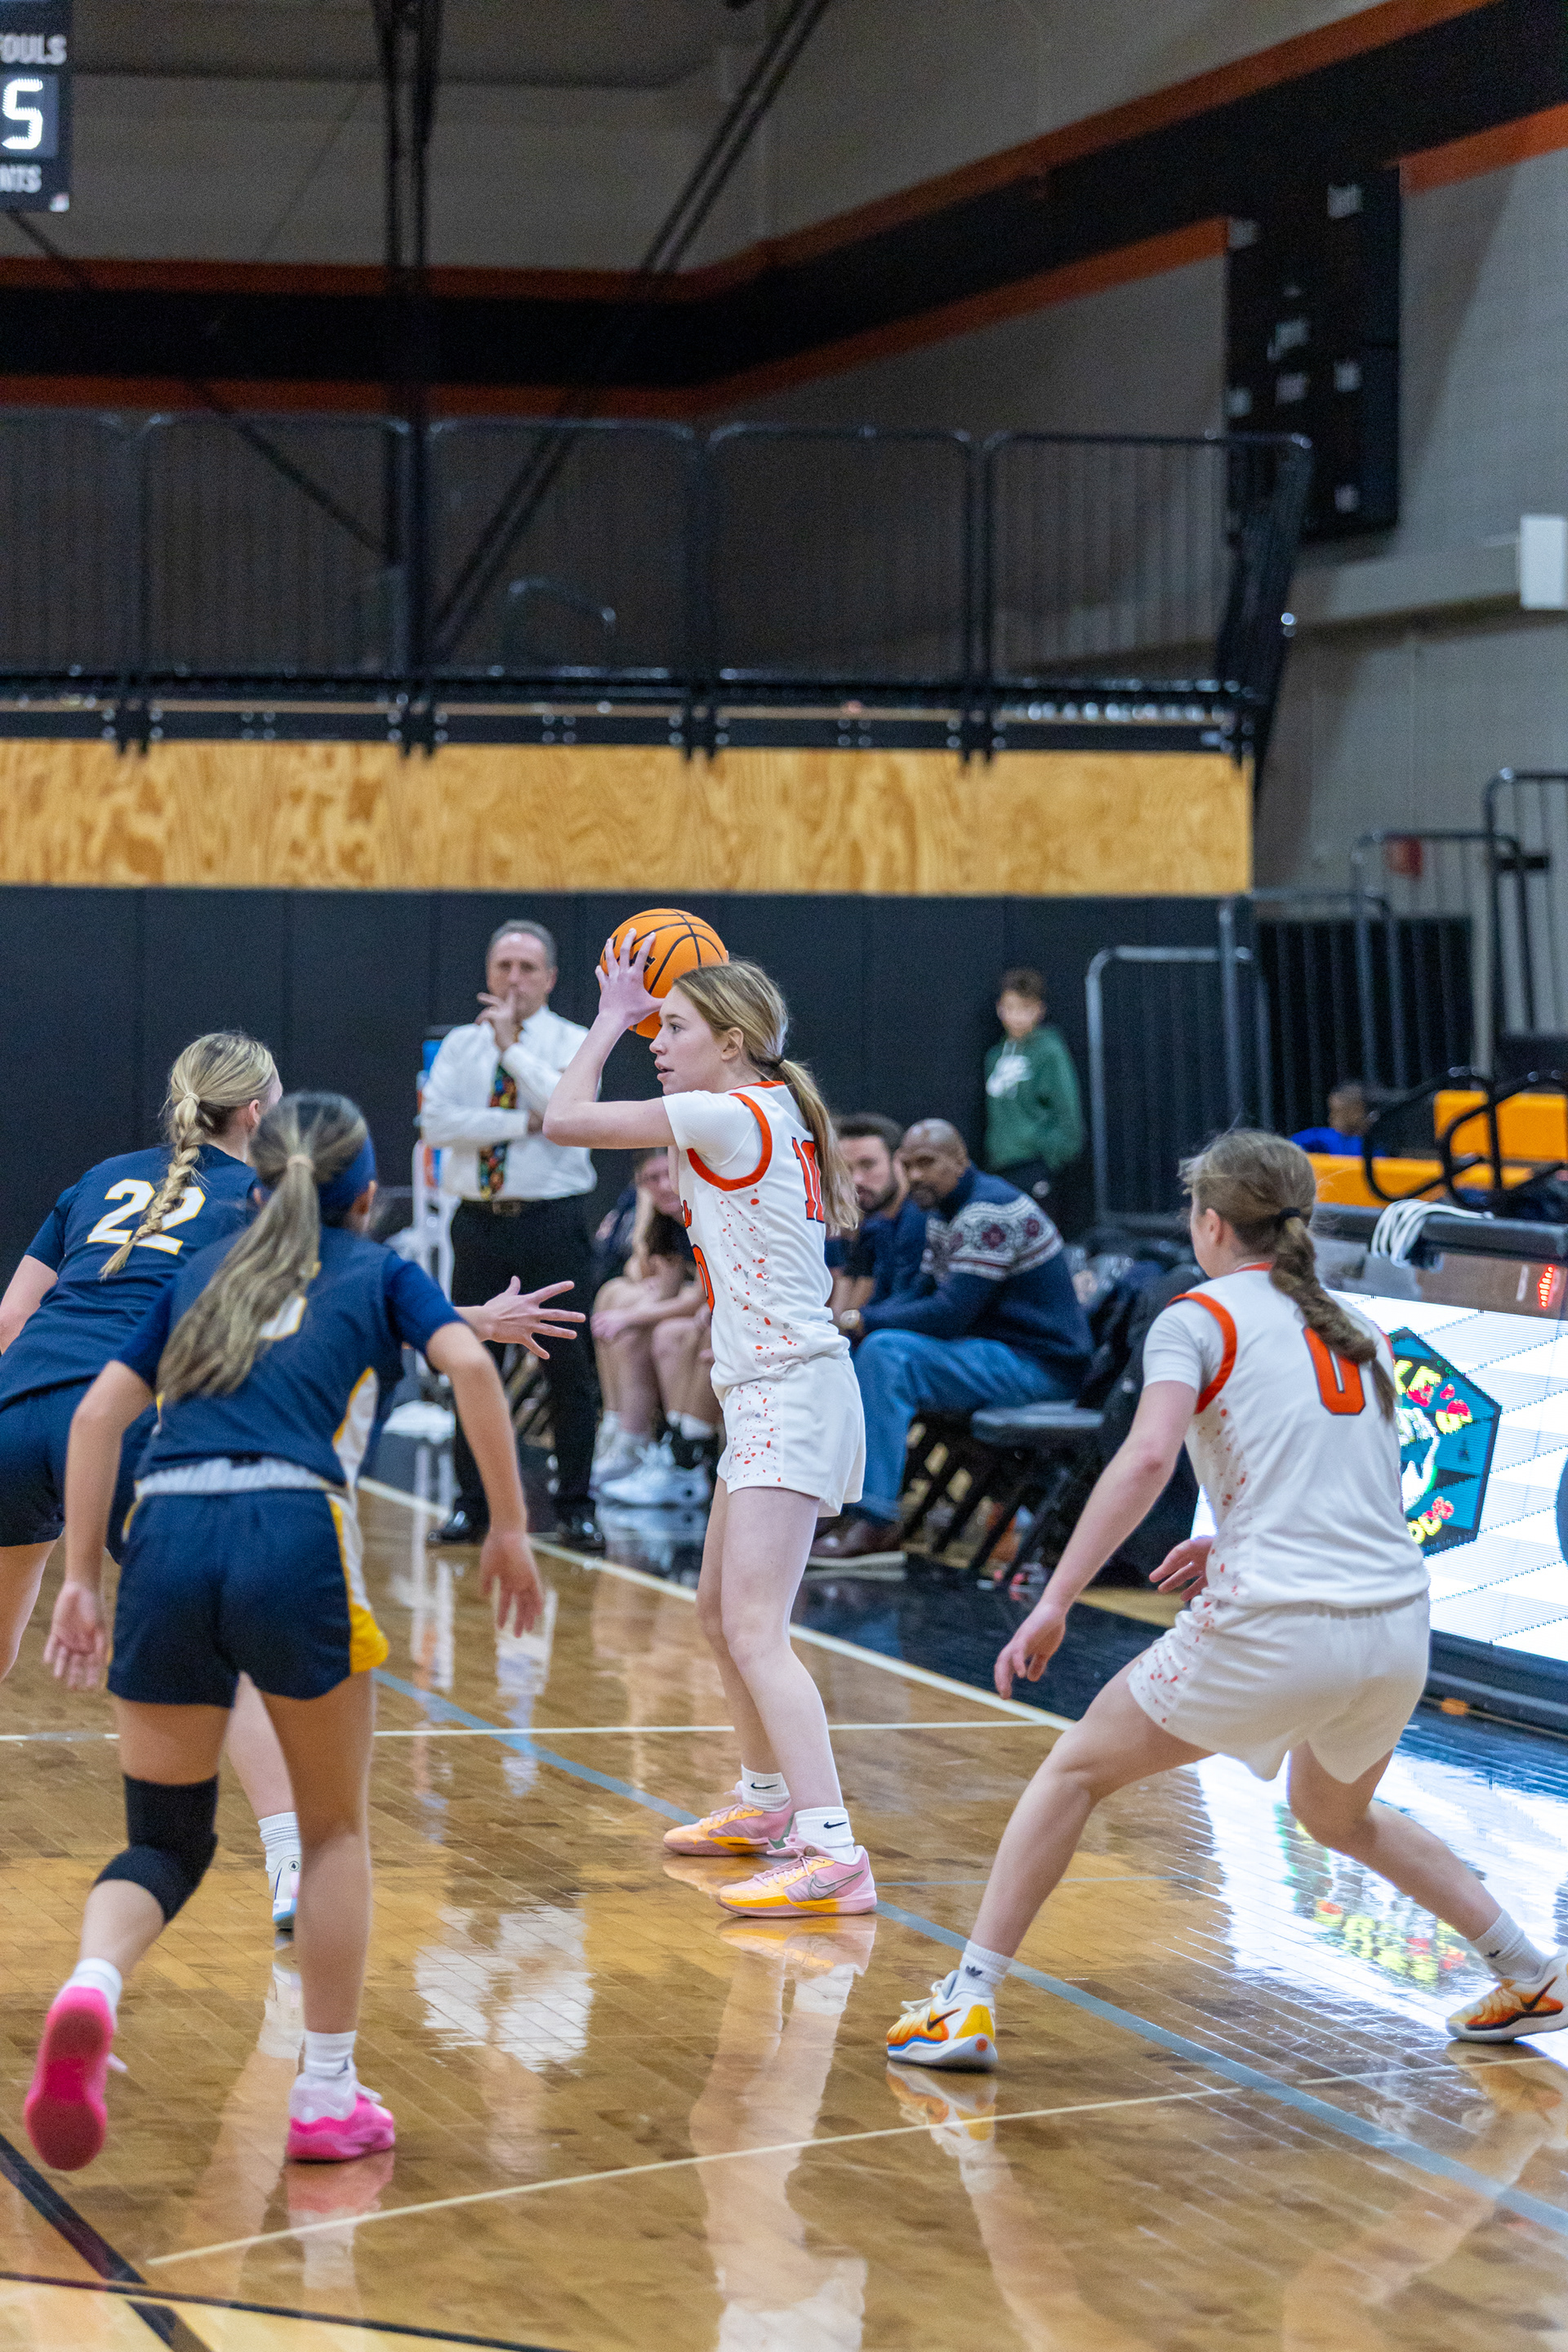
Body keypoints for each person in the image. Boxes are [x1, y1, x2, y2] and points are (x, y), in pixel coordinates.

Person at [885, 1130, 1566, 2073]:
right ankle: (1530, 1970)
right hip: (1397, 1632)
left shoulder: (1195, 1317)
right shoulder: (1353, 1326)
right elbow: (1364, 1484)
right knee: (1336, 1817)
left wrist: (1055, 1598)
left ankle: (963, 2003)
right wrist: (1235, 1533)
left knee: (1072, 1774)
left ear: (1210, 1223)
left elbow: (1146, 1459)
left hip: (1279, 1626)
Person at [25, 1090, 546, 2172]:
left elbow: (98, 1416)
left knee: (163, 1840)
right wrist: (507, 1527)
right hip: (290, 1525)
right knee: (333, 1832)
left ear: (254, 1188)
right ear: (368, 1193)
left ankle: (93, 1984)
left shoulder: (199, 1272)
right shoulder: (381, 1269)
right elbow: (470, 1366)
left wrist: (78, 1579)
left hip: (164, 1532)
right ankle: (324, 2092)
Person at [544, 938, 877, 1919]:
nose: (655, 1041)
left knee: (756, 1629)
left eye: (672, 1027)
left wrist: (609, 1015)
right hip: (768, 1391)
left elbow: (563, 1120)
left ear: (731, 1042)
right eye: (651, 1027)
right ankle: (767, 1803)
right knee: (716, 1616)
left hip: (790, 1391)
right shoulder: (760, 1107)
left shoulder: (729, 1112)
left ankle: (834, 1851)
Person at [0, 1032, 312, 1927]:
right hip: (126, 1415)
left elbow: (13, 1317)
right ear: (256, 1110)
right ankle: (291, 1861)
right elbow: (331, 1307)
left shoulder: (101, 1177)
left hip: (15, 1409)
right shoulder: (265, 1193)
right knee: (224, 1643)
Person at [809, 1120, 1092, 1566]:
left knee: (887, 1355)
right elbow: (921, 1294)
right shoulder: (946, 1209)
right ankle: (838, 1506)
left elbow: (950, 1313)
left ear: (960, 1161)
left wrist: (861, 1320)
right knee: (860, 1350)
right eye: (908, 1165)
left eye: (927, 1163)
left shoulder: (988, 1212)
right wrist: (849, 1329)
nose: (916, 1175)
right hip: (996, 1353)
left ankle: (876, 1521)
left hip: (1040, 1367)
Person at [419, 918, 604, 1555]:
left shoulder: (575, 1041)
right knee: (470, 1360)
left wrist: (511, 1052)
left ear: (549, 978)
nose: (514, 979)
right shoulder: (458, 1046)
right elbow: (437, 1125)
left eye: (527, 968)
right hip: (478, 1221)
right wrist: (519, 1123)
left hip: (552, 1220)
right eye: (504, 966)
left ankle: (576, 1506)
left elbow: (566, 1112)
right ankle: (472, 1506)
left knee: (568, 1369)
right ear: (488, 974)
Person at [591, 1149, 718, 1506]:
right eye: (651, 1179)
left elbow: (701, 1296)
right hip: (709, 1306)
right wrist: (637, 1309)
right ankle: (626, 1434)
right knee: (616, 1298)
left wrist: (631, 1316)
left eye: (668, 1175)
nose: (663, 1186)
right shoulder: (666, 1222)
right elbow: (665, 1285)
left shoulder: (707, 1209)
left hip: (734, 1311)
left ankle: (681, 1457)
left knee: (664, 1332)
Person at [983, 968, 1085, 1205]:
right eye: (1011, 1008)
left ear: (1039, 1010)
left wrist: (1051, 1156)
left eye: (1025, 1008)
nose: (1017, 1016)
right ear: (1000, 1008)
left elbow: (1067, 1108)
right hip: (1001, 1163)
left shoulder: (1049, 1051)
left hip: (1035, 1163)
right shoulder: (994, 1055)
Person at [826, 1114, 927, 1321]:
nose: (856, 1180)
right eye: (846, 1169)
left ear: (900, 1162)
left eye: (868, 1165)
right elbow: (841, 1314)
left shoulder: (923, 1218)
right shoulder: (874, 1227)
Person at [1292, 1079, 1371, 1157]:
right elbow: (1290, 1145)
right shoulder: (1324, 1137)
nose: (1330, 1117)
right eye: (1331, 1111)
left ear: (1357, 1111)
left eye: (1336, 1112)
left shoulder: (1372, 1144)